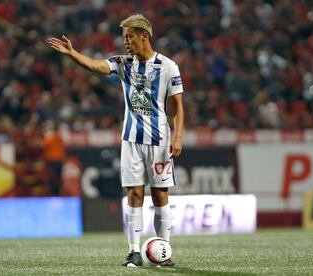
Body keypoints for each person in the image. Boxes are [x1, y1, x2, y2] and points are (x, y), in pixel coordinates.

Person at [48, 14, 184, 267]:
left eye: (129, 37)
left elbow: (178, 106)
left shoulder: (168, 67)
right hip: (131, 140)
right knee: (134, 193)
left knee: (160, 195)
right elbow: (96, 66)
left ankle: (164, 252)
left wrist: (178, 136)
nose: (126, 42)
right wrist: (72, 53)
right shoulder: (123, 63)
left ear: (144, 36)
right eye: (124, 38)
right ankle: (134, 252)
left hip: (160, 141)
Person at [41, 123, 66, 196]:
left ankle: (53, 194)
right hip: (59, 161)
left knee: (52, 179)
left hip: (53, 161)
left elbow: (43, 145)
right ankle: (57, 193)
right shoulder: (60, 138)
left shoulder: (51, 137)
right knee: (58, 178)